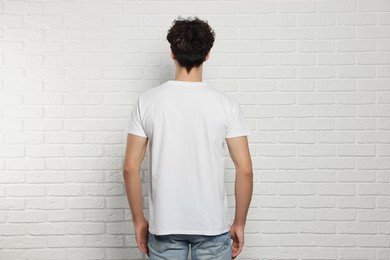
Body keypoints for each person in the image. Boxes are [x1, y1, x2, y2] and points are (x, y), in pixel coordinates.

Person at [123, 16, 253, 260]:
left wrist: (139, 221)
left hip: (164, 225)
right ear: (207, 55)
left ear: (172, 53)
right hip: (212, 225)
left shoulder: (147, 102)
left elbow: (130, 168)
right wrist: (239, 223)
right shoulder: (227, 105)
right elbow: (245, 169)